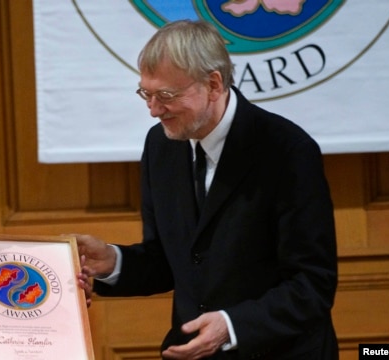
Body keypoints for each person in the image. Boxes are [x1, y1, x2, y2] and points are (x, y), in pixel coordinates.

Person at [76, 20, 338, 359]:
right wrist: (114, 262)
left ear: (213, 84)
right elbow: (172, 261)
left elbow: (312, 284)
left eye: (166, 96)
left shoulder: (286, 150)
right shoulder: (161, 145)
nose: (154, 110)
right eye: (146, 94)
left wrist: (231, 326)